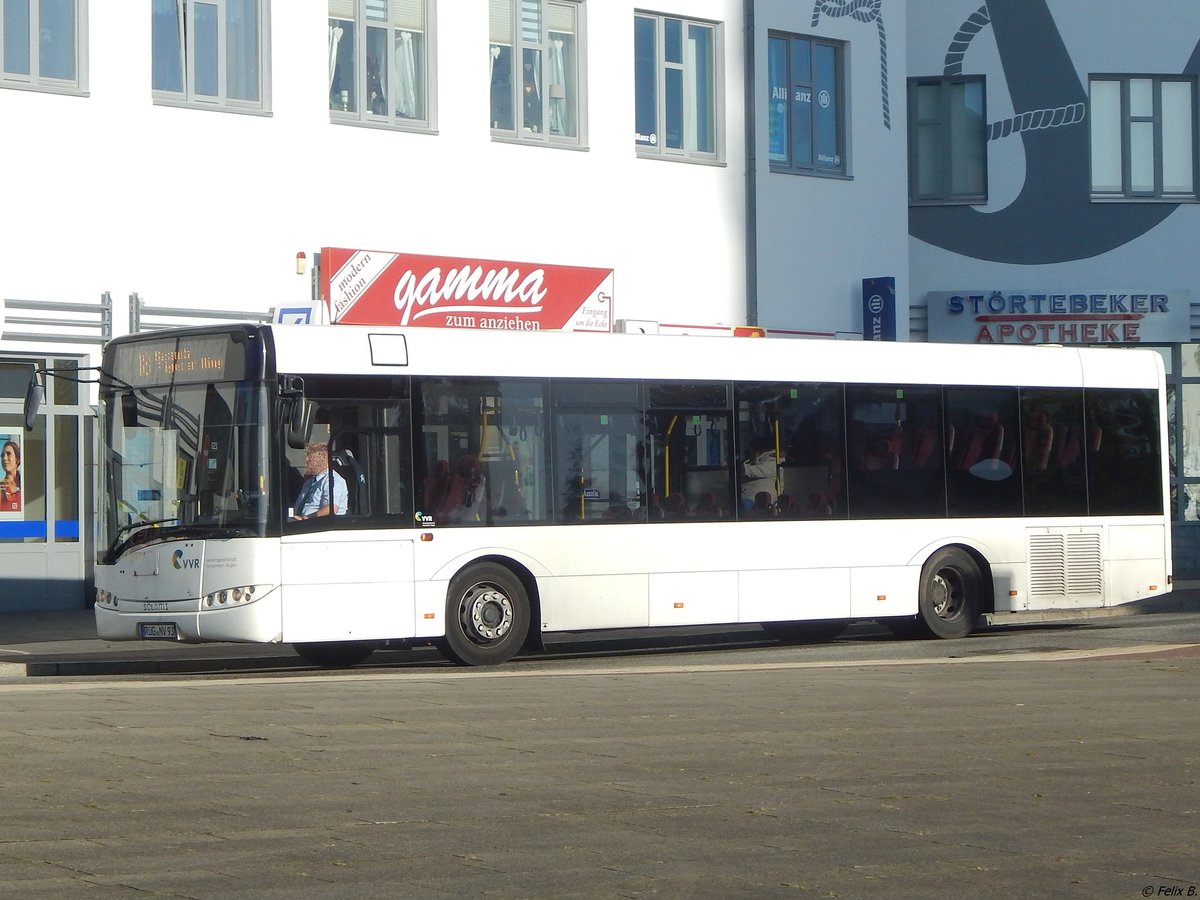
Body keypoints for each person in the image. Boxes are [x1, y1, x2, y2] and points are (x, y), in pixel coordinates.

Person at [293, 442, 347, 520]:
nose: (307, 460)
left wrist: (306, 518)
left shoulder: (333, 481)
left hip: (321, 526)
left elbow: (331, 509)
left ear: (323, 459)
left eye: (311, 458)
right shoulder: (309, 483)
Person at [741, 439, 783, 509]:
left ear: (761, 451)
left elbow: (753, 471)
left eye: (752, 450)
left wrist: (737, 465)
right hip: (745, 498)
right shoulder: (752, 462)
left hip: (756, 502)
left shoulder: (777, 463)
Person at [1, 439, 21, 512]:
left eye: (8, 454)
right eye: (2, 455)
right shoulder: (1, 487)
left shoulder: (24, 485)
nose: (4, 458)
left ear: (17, 459)